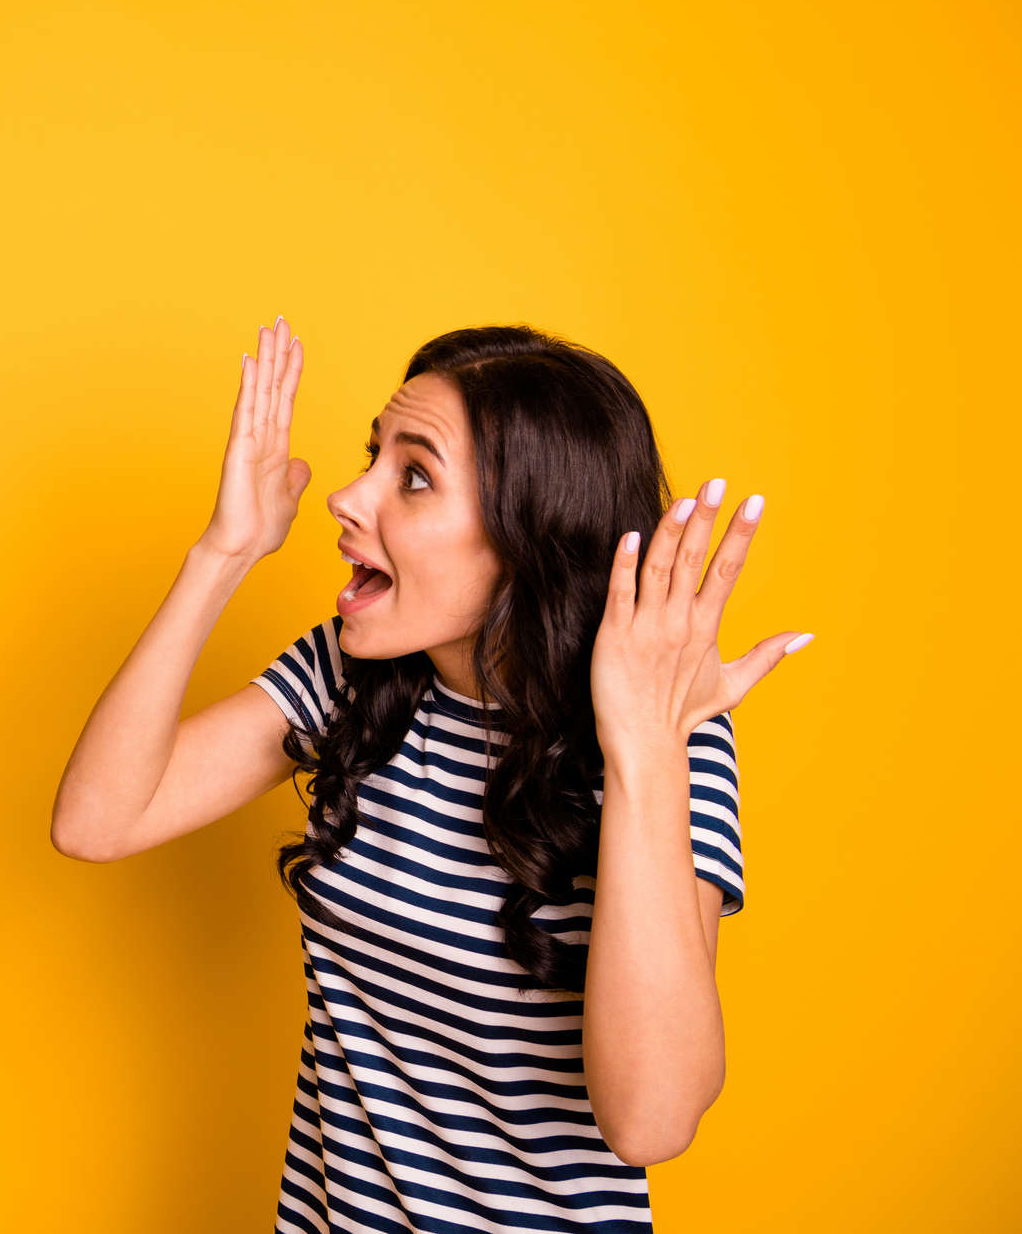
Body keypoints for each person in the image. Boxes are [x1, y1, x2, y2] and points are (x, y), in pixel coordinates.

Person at [52, 321, 810, 1232]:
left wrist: (642, 751)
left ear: (527, 542)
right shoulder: (358, 676)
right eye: (371, 454)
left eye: (413, 476)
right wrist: (225, 551)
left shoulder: (662, 736)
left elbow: (649, 1120)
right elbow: (95, 822)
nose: (346, 495)